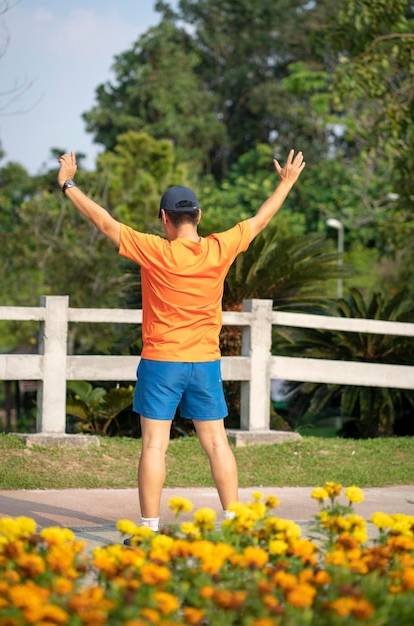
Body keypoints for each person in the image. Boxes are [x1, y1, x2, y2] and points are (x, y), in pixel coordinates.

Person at [57, 148, 305, 531]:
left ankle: (150, 528)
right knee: (218, 444)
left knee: (155, 446)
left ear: (163, 218)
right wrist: (286, 182)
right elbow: (261, 219)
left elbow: (105, 223)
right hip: (205, 362)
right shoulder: (219, 248)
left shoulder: (155, 250)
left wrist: (69, 185)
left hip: (162, 362)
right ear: (199, 216)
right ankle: (235, 523)